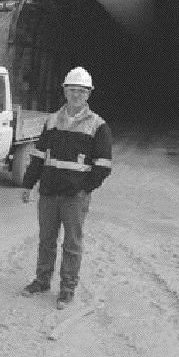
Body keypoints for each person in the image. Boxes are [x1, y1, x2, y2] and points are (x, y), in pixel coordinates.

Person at [21, 66, 112, 310]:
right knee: (46, 240)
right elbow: (39, 156)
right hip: (49, 192)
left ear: (88, 94)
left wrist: (84, 189)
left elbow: (103, 166)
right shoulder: (51, 121)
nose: (76, 95)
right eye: (72, 90)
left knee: (72, 244)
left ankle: (67, 289)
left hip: (74, 197)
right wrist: (29, 184)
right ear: (64, 91)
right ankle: (41, 281)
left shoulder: (98, 126)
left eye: (81, 91)